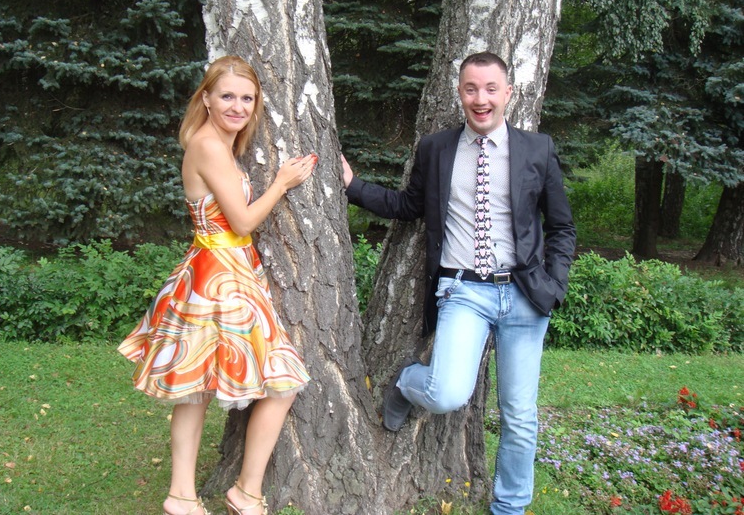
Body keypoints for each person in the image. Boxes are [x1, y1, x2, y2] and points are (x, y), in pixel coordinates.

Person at [341, 51, 576, 515]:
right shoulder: (437, 148)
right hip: (463, 291)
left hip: (526, 296)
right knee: (446, 393)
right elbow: (408, 206)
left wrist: (555, 284)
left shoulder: (537, 149)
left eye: (490, 89)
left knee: (520, 416)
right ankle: (406, 382)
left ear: (508, 93)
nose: (480, 98)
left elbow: (562, 226)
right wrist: (353, 185)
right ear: (459, 93)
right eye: (471, 89)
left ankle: (509, 508)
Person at [118, 55, 317, 515]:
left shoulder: (217, 145)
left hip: (218, 272)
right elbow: (242, 222)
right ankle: (236, 493)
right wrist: (282, 182)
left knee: (198, 389)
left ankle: (187, 496)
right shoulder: (208, 145)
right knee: (280, 380)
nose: (238, 106)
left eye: (247, 98)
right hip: (220, 278)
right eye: (227, 96)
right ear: (205, 98)